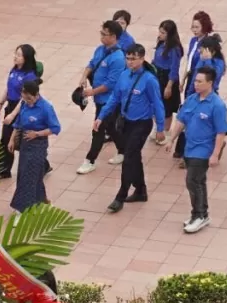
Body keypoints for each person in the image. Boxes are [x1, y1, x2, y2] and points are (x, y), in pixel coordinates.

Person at [95, 44, 165, 212]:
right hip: (126, 122)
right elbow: (114, 98)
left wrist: (161, 128)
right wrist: (101, 116)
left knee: (128, 159)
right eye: (128, 58)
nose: (130, 62)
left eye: (133, 59)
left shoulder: (149, 80)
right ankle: (140, 190)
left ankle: (120, 195)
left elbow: (157, 103)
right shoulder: (124, 76)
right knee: (134, 157)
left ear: (142, 58)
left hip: (142, 123)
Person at [167, 66, 227, 234]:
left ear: (210, 83)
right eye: (195, 80)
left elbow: (221, 132)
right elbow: (181, 121)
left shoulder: (217, 105)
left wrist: (215, 154)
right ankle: (200, 213)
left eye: (200, 81)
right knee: (198, 182)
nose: (195, 84)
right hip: (189, 148)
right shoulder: (192, 100)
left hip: (203, 150)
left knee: (192, 181)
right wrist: (171, 139)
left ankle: (199, 215)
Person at [75, 20, 127, 175]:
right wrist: (84, 77)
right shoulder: (100, 49)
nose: (102, 37)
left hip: (109, 101)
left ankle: (89, 161)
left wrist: (92, 92)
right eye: (101, 33)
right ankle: (123, 150)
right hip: (99, 99)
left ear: (114, 37)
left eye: (105, 34)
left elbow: (111, 83)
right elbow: (91, 64)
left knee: (97, 129)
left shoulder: (118, 58)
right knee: (110, 127)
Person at [6, 79, 60, 212]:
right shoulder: (25, 104)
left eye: (30, 99)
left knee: (29, 176)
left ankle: (21, 208)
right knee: (26, 174)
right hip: (25, 145)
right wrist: (12, 140)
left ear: (37, 95)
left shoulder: (46, 108)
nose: (27, 102)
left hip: (38, 146)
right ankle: (42, 200)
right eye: (25, 99)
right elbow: (18, 124)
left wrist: (37, 134)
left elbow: (55, 128)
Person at [174, 33, 226, 167]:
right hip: (195, 95)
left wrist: (208, 60)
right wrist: (189, 94)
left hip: (209, 96)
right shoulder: (201, 60)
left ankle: (212, 149)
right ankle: (185, 154)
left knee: (206, 126)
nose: (199, 52)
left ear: (211, 51)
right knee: (188, 124)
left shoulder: (218, 63)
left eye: (202, 50)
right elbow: (195, 78)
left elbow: (212, 79)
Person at [0, 45, 41, 180]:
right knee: (5, 138)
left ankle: (42, 165)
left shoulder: (30, 76)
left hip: (22, 108)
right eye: (15, 54)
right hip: (10, 105)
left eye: (19, 55)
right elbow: (8, 87)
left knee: (23, 141)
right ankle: (3, 170)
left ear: (26, 58)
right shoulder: (14, 70)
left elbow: (24, 99)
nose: (15, 57)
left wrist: (13, 115)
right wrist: (0, 103)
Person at [153, 20, 185, 136]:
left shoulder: (174, 49)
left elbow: (174, 68)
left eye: (163, 33)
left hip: (167, 79)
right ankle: (158, 127)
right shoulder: (161, 44)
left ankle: (166, 131)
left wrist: (169, 86)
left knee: (167, 107)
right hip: (158, 76)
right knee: (156, 103)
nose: (160, 35)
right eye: (160, 32)